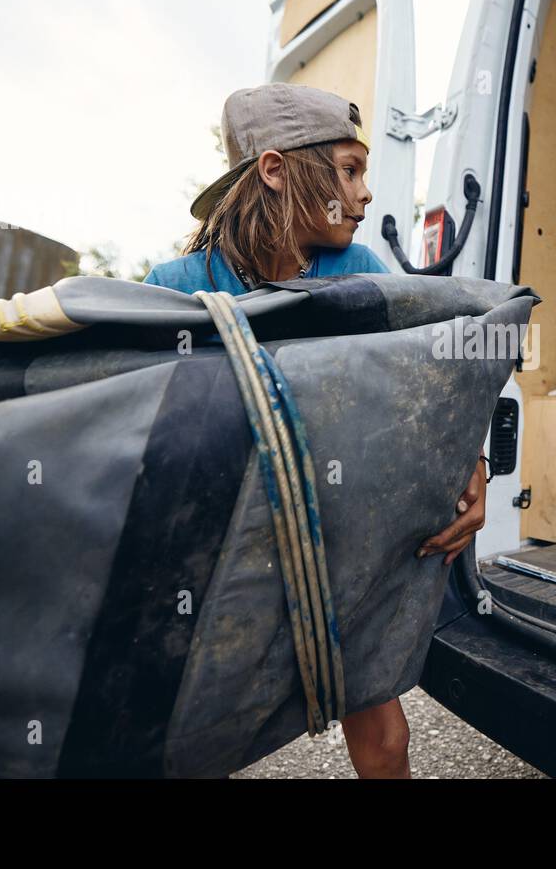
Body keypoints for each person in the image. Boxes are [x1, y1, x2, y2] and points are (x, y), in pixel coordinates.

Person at [145, 82, 490, 774]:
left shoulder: (359, 271)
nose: (365, 195)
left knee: (388, 739)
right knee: (195, 739)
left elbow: (431, 381)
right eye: (349, 169)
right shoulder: (177, 285)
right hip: (224, 552)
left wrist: (470, 465)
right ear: (275, 170)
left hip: (337, 543)